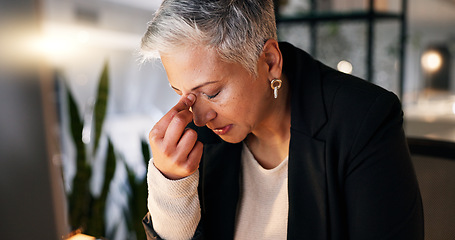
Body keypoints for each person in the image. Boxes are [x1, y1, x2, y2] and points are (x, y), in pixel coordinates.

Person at [140, 0, 424, 239]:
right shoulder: (194, 139)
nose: (200, 117)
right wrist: (172, 184)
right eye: (181, 93)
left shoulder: (363, 120)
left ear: (270, 61)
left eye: (212, 92)